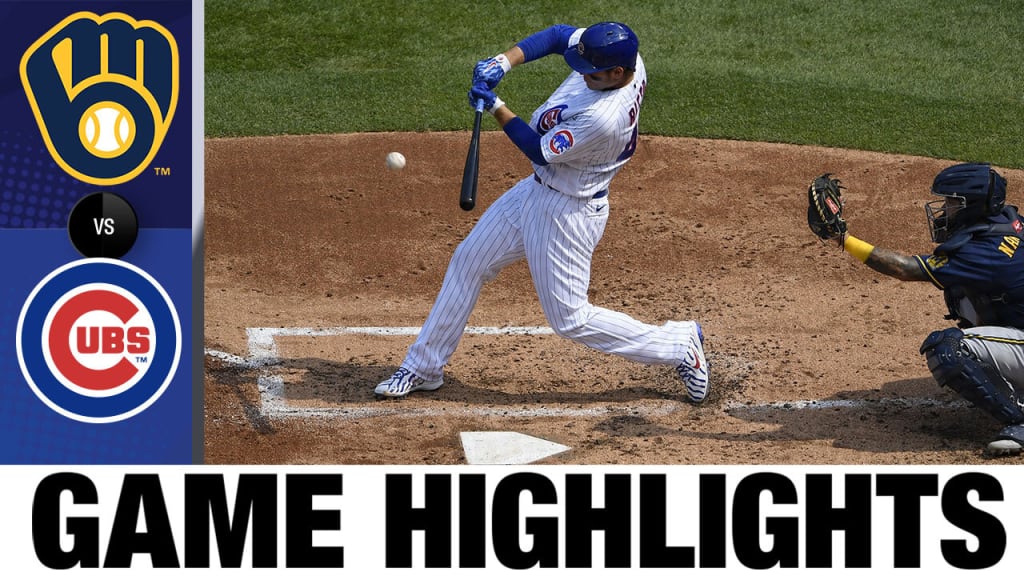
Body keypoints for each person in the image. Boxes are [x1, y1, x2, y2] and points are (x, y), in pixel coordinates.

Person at [374, 22, 708, 403]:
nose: (582, 76)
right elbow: (556, 36)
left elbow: (536, 149)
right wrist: (503, 62)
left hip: (567, 213)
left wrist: (495, 104)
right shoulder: (623, 56)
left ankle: (678, 344)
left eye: (591, 73)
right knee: (469, 260)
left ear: (617, 74)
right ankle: (423, 367)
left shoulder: (603, 119)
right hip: (537, 191)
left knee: (571, 320)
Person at [820, 162, 1024, 457]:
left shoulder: (987, 253)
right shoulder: (1006, 223)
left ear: (974, 206)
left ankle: (1019, 419)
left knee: (948, 350)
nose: (944, 210)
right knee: (968, 296)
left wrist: (845, 240)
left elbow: (905, 268)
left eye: (953, 203)